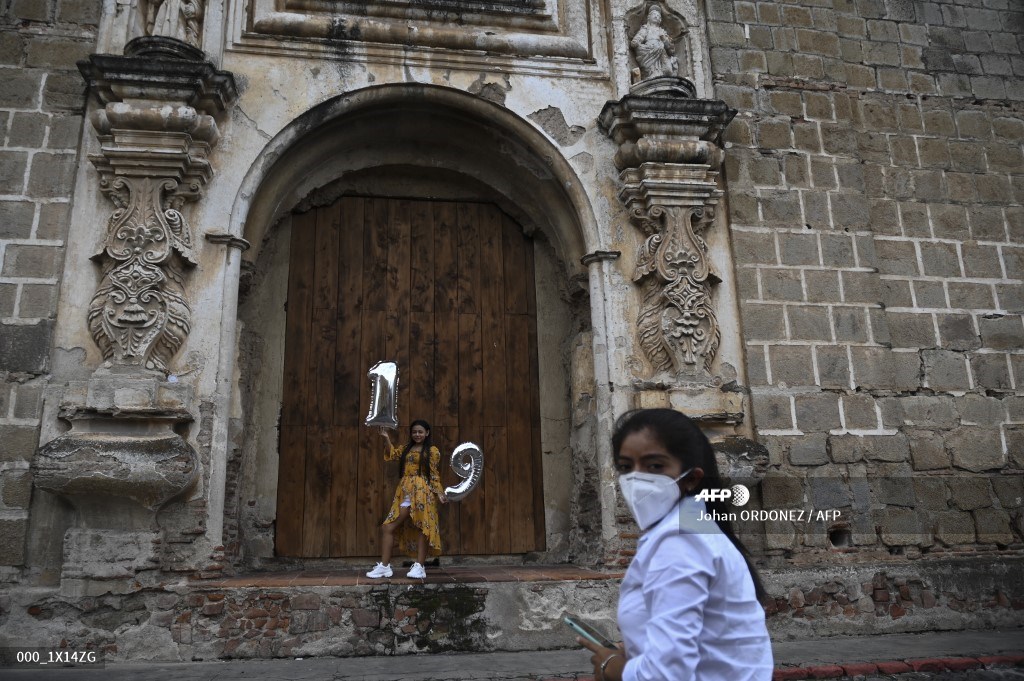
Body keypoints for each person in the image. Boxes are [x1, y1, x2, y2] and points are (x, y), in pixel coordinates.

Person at [578, 408, 772, 681]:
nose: (636, 479)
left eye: (655, 466)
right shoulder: (688, 530)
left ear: (691, 478)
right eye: (625, 467)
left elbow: (667, 675)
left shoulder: (681, 543)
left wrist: (610, 666)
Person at [366, 420, 448, 580]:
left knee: (422, 528)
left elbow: (434, 474)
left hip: (423, 491)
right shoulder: (406, 448)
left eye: (420, 432)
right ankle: (384, 567)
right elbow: (392, 454)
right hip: (405, 491)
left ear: (427, 433)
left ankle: (419, 566)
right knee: (388, 527)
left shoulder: (432, 450)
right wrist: (386, 437)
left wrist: (439, 493)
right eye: (414, 432)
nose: (417, 435)